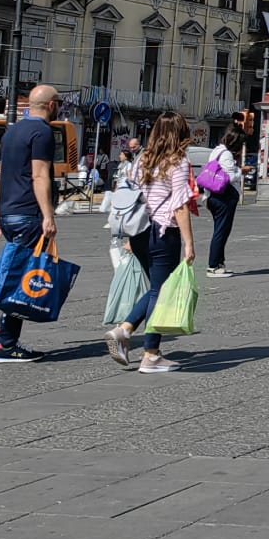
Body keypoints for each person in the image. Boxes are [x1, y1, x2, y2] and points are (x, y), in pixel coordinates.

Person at [105, 110, 197, 373]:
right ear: (181, 133)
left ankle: (125, 330)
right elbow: (180, 205)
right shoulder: (178, 162)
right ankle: (151, 354)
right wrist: (189, 243)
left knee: (157, 287)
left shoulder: (141, 160)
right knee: (161, 291)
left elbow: (130, 194)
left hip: (139, 230)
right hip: (163, 231)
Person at [0, 86, 64, 362]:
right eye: (59, 103)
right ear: (51, 105)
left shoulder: (12, 131)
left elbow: (4, 173)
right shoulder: (42, 132)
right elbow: (39, 175)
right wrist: (48, 215)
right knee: (24, 276)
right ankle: (7, 345)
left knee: (18, 270)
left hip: (10, 212)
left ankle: (1, 331)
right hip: (28, 213)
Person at [204, 128, 244, 277]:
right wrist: (241, 171)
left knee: (220, 230)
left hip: (213, 196)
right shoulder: (226, 154)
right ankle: (213, 265)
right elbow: (229, 177)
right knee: (221, 231)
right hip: (223, 197)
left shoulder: (217, 151)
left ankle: (219, 263)